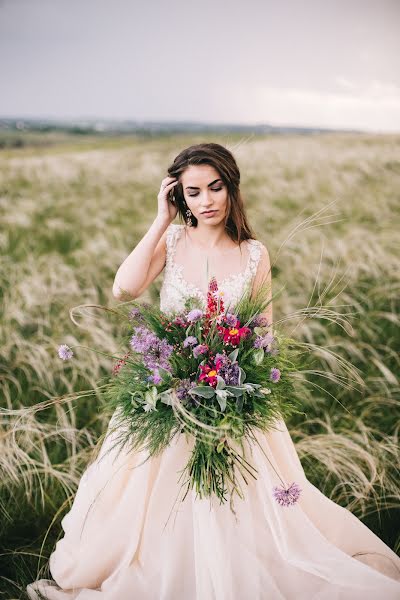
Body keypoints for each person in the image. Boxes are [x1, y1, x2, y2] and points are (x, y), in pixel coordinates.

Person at [27, 143, 400, 599]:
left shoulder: (254, 254)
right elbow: (124, 288)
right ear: (179, 195)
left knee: (247, 508)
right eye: (194, 191)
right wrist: (160, 219)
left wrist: (247, 392)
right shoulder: (172, 241)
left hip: (232, 398)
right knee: (154, 509)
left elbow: (263, 330)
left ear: (231, 186)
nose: (207, 201)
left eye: (216, 187)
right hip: (165, 398)